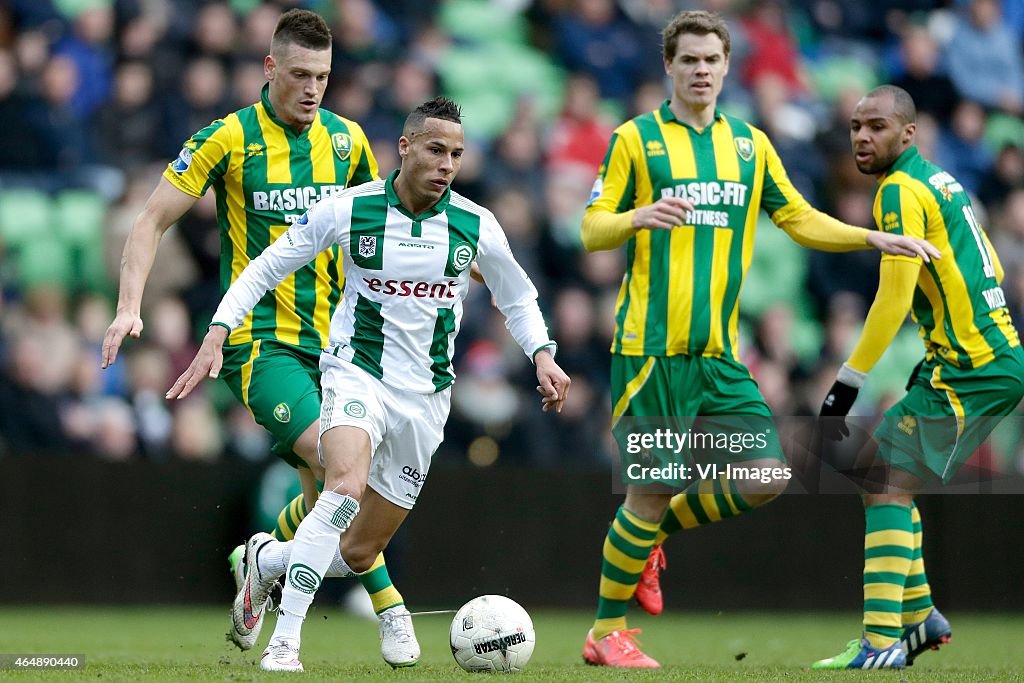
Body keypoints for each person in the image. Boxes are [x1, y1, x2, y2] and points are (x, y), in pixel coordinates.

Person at [578, 11, 940, 668]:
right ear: (669, 66)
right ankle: (606, 632)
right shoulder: (636, 139)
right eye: (688, 59)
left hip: (719, 352)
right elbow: (591, 228)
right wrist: (637, 216)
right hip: (651, 350)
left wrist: (871, 236)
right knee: (647, 493)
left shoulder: (748, 145)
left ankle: (652, 538)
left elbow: (797, 216)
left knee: (767, 474)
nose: (701, 70)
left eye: (711, 59)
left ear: (727, 65)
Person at [166, 96, 571, 673]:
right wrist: (220, 326)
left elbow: (518, 296)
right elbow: (267, 264)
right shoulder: (350, 210)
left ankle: (269, 559)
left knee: (359, 548)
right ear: (404, 148)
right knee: (343, 486)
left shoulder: (476, 224)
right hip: (357, 374)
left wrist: (543, 354)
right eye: (435, 149)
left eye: (456, 153)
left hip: (427, 399)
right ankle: (286, 642)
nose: (446, 163)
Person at [99, 9, 419, 667]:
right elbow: (151, 219)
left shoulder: (348, 141)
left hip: (337, 347)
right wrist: (130, 305)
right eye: (299, 74)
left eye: (323, 76)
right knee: (343, 472)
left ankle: (261, 558)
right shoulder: (227, 138)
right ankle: (392, 611)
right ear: (269, 67)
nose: (311, 89)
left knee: (323, 501)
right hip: (259, 344)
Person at [812, 85, 1023, 670]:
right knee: (881, 476)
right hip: (975, 357)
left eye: (876, 126)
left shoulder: (900, 191)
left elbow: (893, 296)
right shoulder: (941, 181)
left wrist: (847, 380)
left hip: (971, 367)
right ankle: (922, 616)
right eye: (856, 125)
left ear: (908, 134)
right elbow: (994, 266)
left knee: (884, 481)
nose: (861, 136)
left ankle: (882, 644)